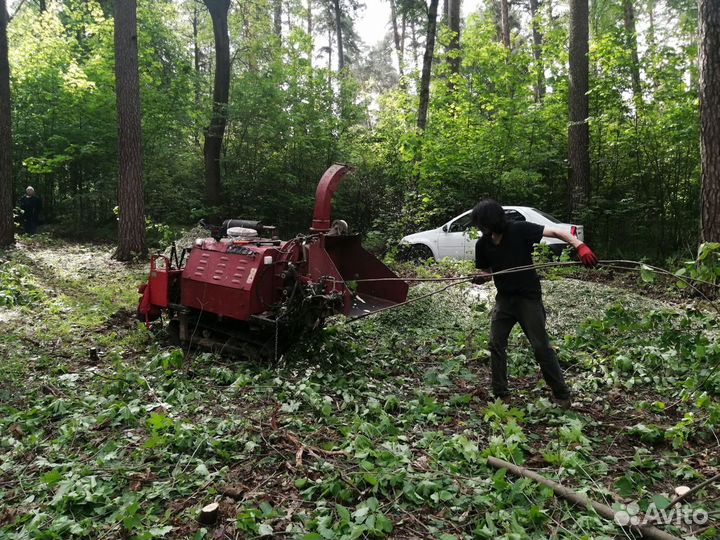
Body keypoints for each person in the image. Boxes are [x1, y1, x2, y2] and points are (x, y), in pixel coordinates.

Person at [471, 200, 598, 408]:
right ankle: (501, 394)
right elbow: (487, 271)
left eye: (481, 223)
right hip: (504, 300)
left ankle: (562, 394)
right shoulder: (483, 244)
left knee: (540, 347)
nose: (480, 228)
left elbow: (557, 233)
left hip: (528, 299)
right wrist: (480, 277)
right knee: (496, 344)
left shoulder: (519, 230)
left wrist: (579, 245)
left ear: (491, 220)